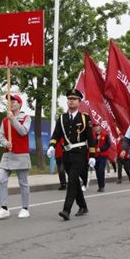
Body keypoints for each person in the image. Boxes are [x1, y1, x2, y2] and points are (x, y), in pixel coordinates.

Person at [47, 89, 96, 221]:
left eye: (74, 99)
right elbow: (56, 134)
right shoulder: (62, 118)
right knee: (74, 182)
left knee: (72, 181)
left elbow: (90, 138)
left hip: (80, 153)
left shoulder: (85, 118)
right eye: (69, 99)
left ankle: (66, 210)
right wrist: (51, 146)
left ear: (79, 102)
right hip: (66, 154)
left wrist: (92, 156)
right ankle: (83, 206)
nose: (71, 101)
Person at [0, 94, 32, 220]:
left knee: (23, 183)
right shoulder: (4, 120)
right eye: (10, 102)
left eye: (14, 101)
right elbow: (0, 135)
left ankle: (25, 208)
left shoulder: (26, 118)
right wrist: (5, 143)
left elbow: (23, 131)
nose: (11, 103)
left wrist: (13, 120)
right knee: (1, 179)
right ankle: (4, 208)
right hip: (7, 154)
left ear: (20, 104)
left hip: (21, 154)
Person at [93, 123, 111, 192]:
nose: (96, 128)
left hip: (103, 155)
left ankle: (102, 186)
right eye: (94, 127)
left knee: (101, 170)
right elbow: (92, 144)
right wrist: (96, 140)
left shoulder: (105, 134)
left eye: (97, 126)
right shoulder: (93, 136)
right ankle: (100, 186)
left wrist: (101, 149)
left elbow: (108, 144)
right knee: (97, 171)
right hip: (95, 156)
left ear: (100, 127)